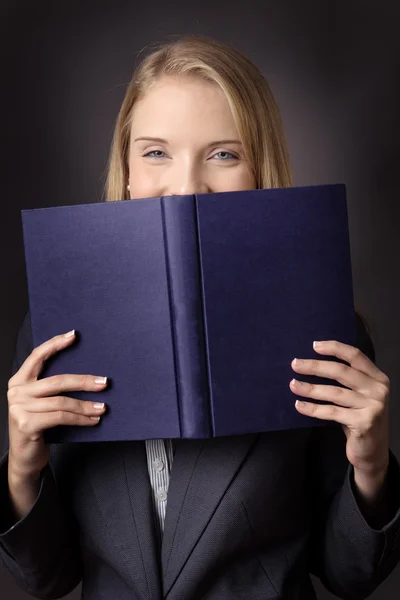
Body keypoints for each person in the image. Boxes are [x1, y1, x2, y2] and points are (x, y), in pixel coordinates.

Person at [1, 34, 400, 600]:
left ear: (260, 170)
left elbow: (348, 575)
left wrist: (371, 470)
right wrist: (21, 471)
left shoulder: (326, 333)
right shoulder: (56, 329)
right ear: (129, 169)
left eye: (224, 154)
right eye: (157, 151)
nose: (187, 188)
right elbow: (49, 579)